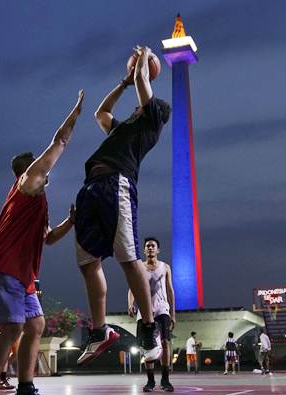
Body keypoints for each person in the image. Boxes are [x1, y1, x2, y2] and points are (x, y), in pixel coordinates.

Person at [0, 90, 84, 395]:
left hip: (22, 275)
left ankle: (26, 388)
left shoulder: (37, 203)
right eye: (40, 166)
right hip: (3, 265)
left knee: (35, 324)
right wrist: (76, 111)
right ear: (30, 171)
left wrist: (70, 221)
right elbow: (59, 142)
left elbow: (48, 239)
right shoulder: (28, 184)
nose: (45, 170)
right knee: (10, 329)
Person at [74, 45, 171, 365]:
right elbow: (100, 113)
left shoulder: (151, 122)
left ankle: (147, 328)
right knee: (88, 262)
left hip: (117, 184)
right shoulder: (124, 127)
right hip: (91, 187)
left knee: (128, 258)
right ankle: (100, 331)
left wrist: (144, 61)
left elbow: (146, 86)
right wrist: (123, 82)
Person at [127, 237, 176, 393]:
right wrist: (130, 303)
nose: (150, 248)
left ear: (158, 250)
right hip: (144, 310)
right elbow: (132, 287)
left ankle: (165, 379)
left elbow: (170, 290)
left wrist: (173, 314)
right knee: (147, 346)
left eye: (153, 246)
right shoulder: (139, 267)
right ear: (144, 250)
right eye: (147, 246)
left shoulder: (165, 267)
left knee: (165, 342)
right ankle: (150, 381)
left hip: (162, 309)